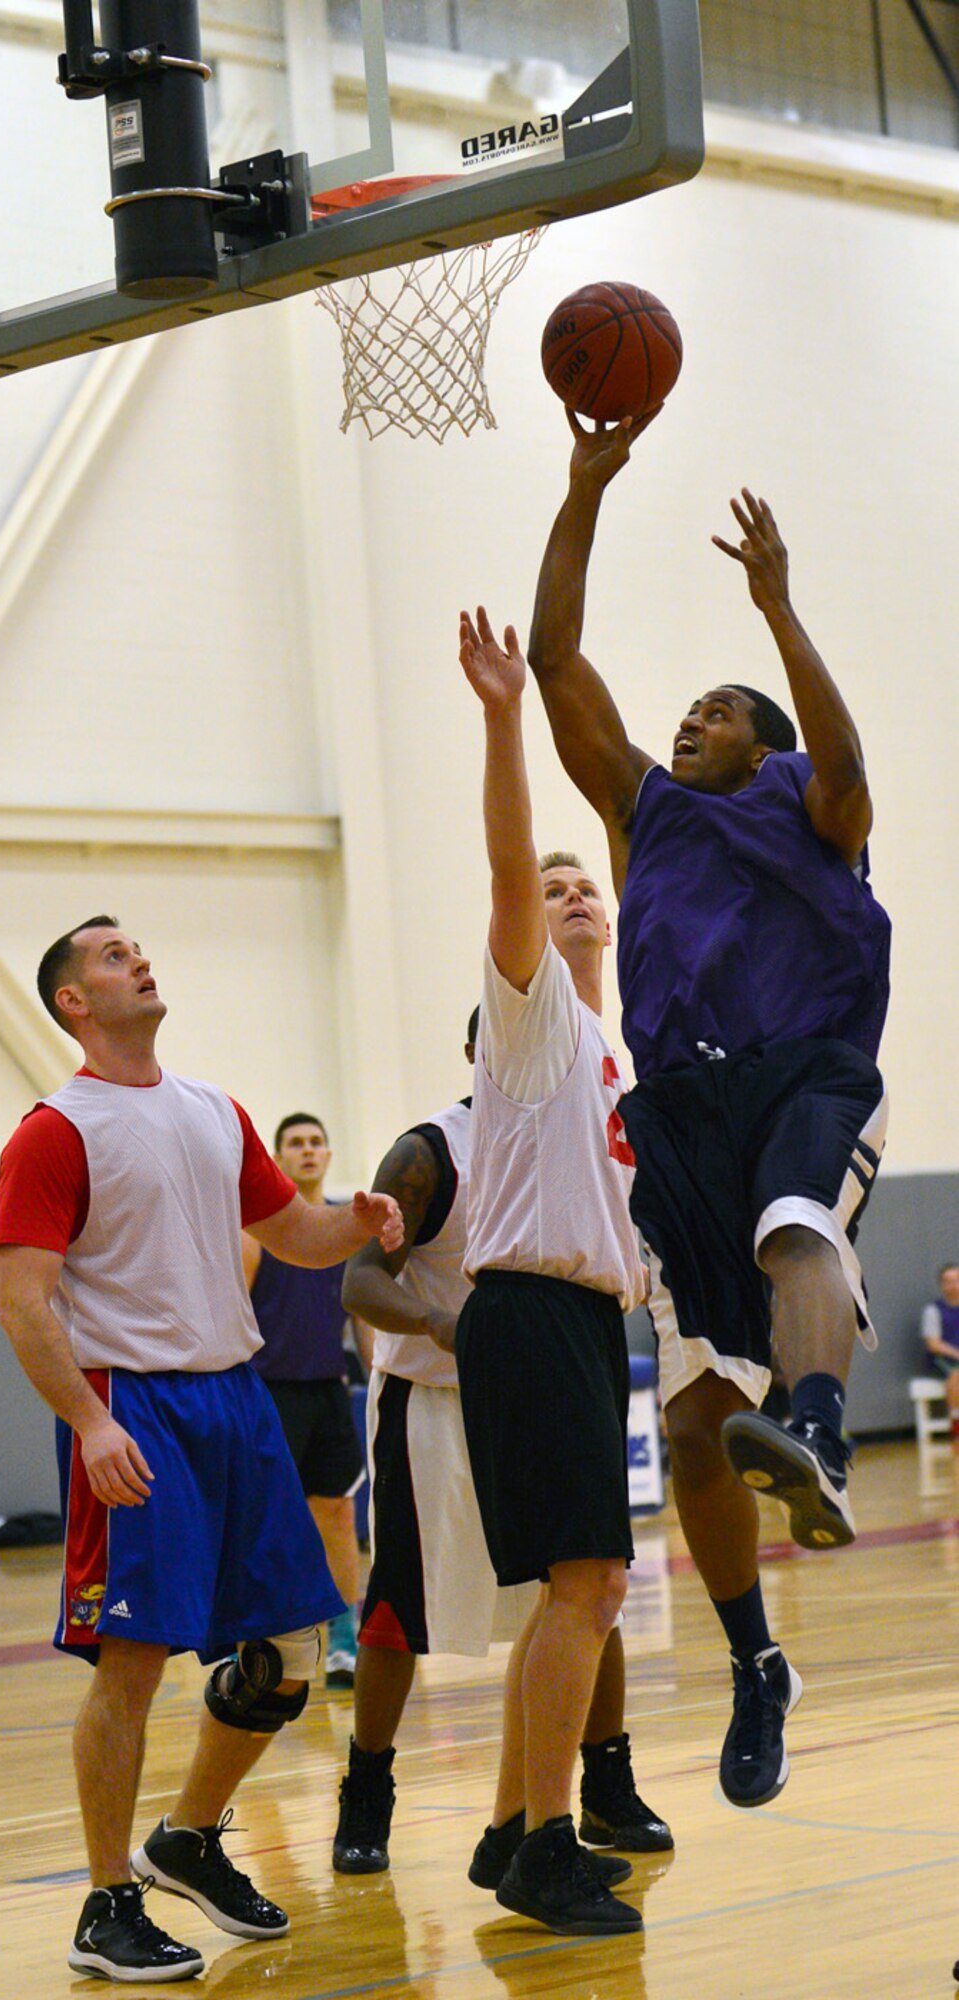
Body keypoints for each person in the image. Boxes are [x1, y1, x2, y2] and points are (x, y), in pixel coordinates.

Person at [525, 413, 891, 1811]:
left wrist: (777, 610)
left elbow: (844, 764)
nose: (690, 719)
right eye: (688, 709)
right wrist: (582, 489)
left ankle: (813, 1425)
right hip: (677, 1110)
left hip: (801, 1070)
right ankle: (754, 1665)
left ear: (769, 742)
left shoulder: (812, 803)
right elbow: (560, 665)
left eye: (719, 709)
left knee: (797, 1226)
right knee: (684, 1427)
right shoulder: (647, 810)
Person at [0, 916, 402, 1983]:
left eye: (138, 946)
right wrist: (90, 1420)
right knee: (131, 1666)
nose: (139, 958)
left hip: (239, 1399)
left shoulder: (216, 1109)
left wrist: (354, 1216)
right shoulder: (52, 1130)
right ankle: (104, 1901)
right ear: (74, 1000)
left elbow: (294, 1235)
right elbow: (23, 1301)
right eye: (112, 954)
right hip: (138, 1408)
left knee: (291, 1656)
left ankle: (187, 1833)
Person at [332, 1008, 671, 1882]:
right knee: (398, 1604)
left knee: (587, 1575)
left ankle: (603, 1782)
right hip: (435, 1394)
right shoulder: (432, 1150)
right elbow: (362, 1280)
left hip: (542, 1383)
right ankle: (366, 1789)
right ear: (479, 1053)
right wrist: (447, 1325)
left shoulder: (588, 1144)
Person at [442, 607, 650, 1939]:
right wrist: (507, 716)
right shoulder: (533, 1019)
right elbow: (511, 860)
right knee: (584, 1586)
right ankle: (543, 1847)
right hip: (526, 1310)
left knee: (578, 1589)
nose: (571, 893)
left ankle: (517, 1826)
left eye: (592, 886)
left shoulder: (615, 1055)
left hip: (576, 1323)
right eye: (558, 887)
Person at [244, 1111, 371, 1687]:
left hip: (328, 1392)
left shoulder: (347, 1229)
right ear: (278, 1157)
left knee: (339, 1515)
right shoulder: (257, 1235)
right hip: (269, 1394)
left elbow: (363, 1319)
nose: (309, 1150)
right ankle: (250, 1637)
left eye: (317, 1141)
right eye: (296, 1143)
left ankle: (344, 1639)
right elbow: (233, 1314)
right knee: (264, 1521)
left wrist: (378, 1379)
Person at [921, 1262, 959, 1440]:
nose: (953, 1285)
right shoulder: (934, 1310)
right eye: (948, 1281)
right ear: (942, 1284)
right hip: (943, 1359)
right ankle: (956, 1423)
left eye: (956, 1280)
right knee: (956, 1375)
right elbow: (934, 1344)